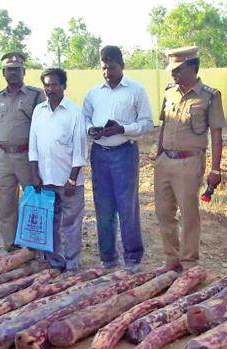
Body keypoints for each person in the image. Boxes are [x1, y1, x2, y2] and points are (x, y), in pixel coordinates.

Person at [83, 45, 153, 272]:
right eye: (103, 68)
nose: (107, 72)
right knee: (103, 206)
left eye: (111, 67)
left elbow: (146, 123)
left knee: (127, 206)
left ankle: (132, 257)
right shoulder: (94, 93)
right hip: (99, 153)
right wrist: (91, 129)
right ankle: (108, 257)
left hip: (124, 152)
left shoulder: (136, 90)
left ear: (122, 66)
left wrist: (122, 129)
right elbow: (83, 119)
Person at [155, 46, 226, 270]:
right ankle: (171, 258)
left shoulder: (209, 96)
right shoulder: (169, 91)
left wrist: (215, 170)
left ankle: (189, 261)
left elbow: (216, 134)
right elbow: (164, 125)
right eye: (172, 69)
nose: (173, 74)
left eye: (178, 69)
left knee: (188, 213)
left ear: (193, 67)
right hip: (165, 160)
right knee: (164, 211)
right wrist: (158, 155)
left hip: (190, 161)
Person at [29, 68, 87, 272]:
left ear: (64, 86)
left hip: (69, 181)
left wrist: (72, 180)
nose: (50, 89)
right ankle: (55, 262)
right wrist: (35, 174)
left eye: (54, 84)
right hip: (45, 180)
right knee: (49, 224)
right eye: (46, 85)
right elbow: (33, 146)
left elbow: (80, 151)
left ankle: (71, 264)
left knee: (71, 224)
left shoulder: (74, 112)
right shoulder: (38, 111)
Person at [0, 52, 46, 252]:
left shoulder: (36, 95)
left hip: (27, 156)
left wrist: (38, 162)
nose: (13, 73)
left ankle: (33, 247)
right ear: (3, 72)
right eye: (9, 70)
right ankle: (12, 248)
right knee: (6, 206)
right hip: (2, 157)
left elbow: (43, 129)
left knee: (33, 203)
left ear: (24, 71)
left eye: (17, 70)